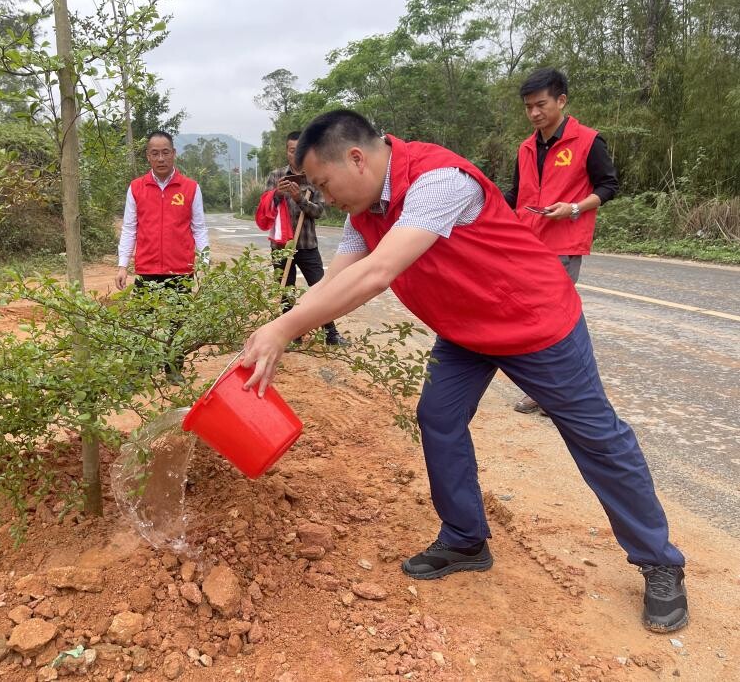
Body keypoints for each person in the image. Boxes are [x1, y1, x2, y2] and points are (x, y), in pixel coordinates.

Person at [239, 109, 688, 633]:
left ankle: (659, 561)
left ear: (356, 159)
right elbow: (338, 277)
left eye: (323, 183)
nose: (322, 196)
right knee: (439, 418)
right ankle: (465, 538)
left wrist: (284, 330)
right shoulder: (365, 211)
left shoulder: (438, 181)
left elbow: (378, 273)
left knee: (596, 437)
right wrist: (275, 328)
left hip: (534, 321)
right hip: (465, 331)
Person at [503, 67, 619, 414]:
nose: (534, 113)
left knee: (554, 318)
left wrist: (574, 208)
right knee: (532, 317)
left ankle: (562, 393)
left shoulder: (588, 141)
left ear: (561, 100)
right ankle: (546, 389)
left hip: (563, 245)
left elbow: (609, 186)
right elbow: (516, 194)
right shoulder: (526, 147)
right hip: (527, 244)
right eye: (528, 107)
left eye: (541, 104)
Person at [256, 131, 346, 346]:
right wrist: (277, 194)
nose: (294, 154)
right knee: (286, 290)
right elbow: (265, 208)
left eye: (298, 150)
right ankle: (291, 335)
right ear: (286, 151)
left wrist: (299, 199)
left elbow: (319, 212)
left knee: (320, 288)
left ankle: (330, 333)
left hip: (307, 244)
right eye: (291, 150)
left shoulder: (314, 175)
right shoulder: (276, 176)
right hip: (281, 246)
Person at [115, 130, 210, 292]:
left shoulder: (191, 188)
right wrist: (122, 266)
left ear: (173, 153)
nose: (160, 158)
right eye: (155, 153)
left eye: (165, 152)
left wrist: (204, 263)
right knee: (144, 310)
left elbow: (199, 229)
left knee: (181, 310)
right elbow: (129, 229)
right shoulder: (136, 188)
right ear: (148, 156)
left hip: (181, 273)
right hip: (146, 271)